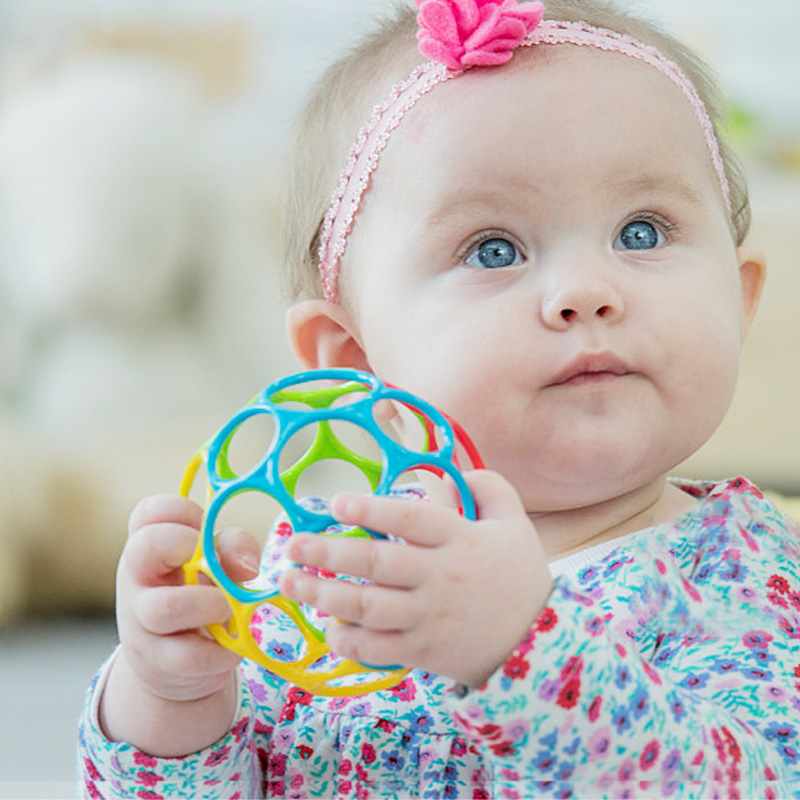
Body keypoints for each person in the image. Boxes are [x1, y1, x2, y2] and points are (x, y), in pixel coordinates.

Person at [79, 0, 800, 797]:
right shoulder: (318, 574)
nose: (588, 292)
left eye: (641, 231)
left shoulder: (749, 576)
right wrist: (168, 704)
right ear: (355, 361)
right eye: (494, 249)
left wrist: (520, 649)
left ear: (739, 300)